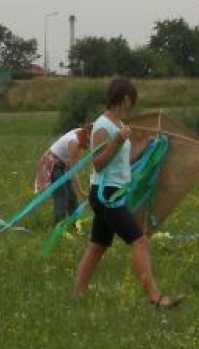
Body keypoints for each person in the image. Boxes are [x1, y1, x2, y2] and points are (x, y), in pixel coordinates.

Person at [72, 77, 183, 309]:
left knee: (97, 246)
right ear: (124, 99)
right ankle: (155, 297)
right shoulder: (103, 126)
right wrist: (116, 141)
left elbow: (124, 159)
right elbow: (99, 163)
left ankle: (77, 296)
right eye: (131, 100)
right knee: (140, 241)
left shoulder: (118, 126)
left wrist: (150, 144)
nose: (132, 105)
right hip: (106, 195)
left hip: (111, 194)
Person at [35, 124, 91, 222]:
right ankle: (59, 224)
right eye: (89, 141)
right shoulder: (74, 142)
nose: (89, 144)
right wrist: (81, 191)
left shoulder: (81, 132)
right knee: (62, 194)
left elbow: (69, 165)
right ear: (86, 134)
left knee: (71, 195)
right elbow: (73, 170)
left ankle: (75, 222)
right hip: (52, 164)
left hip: (62, 164)